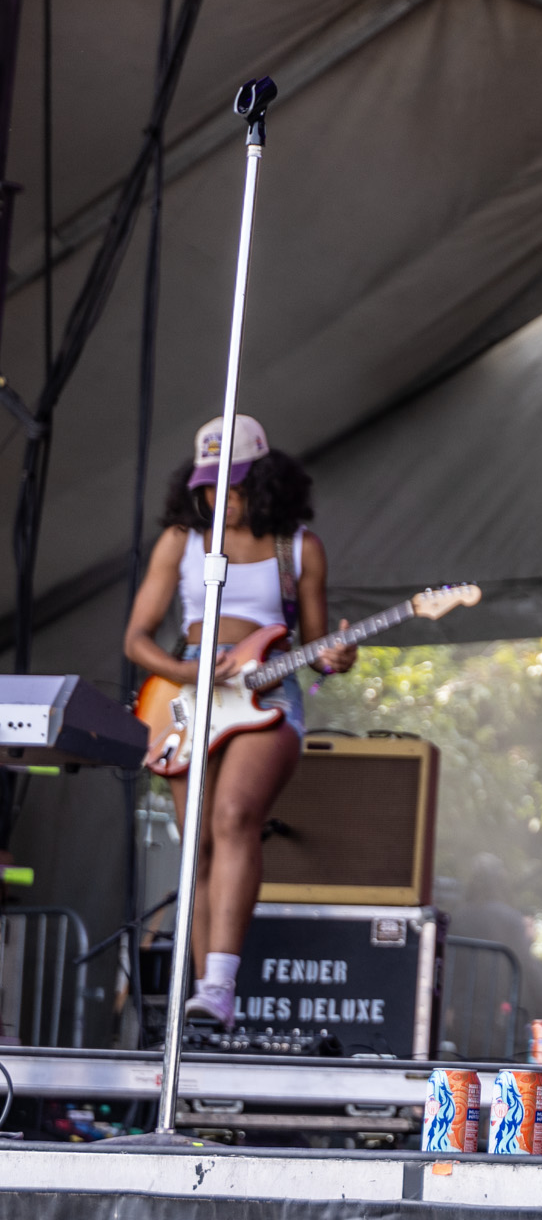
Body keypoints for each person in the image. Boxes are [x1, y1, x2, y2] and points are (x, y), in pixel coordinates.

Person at [120, 415, 349, 1028]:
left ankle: (221, 983)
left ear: (263, 481)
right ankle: (201, 1002)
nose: (218, 497)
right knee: (197, 842)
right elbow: (136, 639)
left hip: (267, 692)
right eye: (208, 486)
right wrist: (185, 670)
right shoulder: (181, 541)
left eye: (234, 485)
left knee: (233, 817)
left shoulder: (298, 548)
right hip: (190, 692)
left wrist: (336, 657)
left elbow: (318, 647)